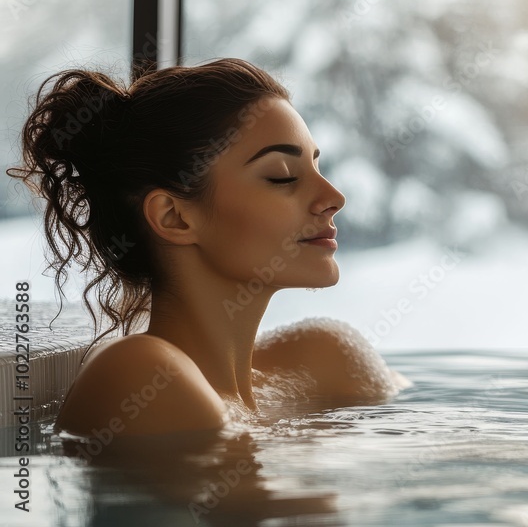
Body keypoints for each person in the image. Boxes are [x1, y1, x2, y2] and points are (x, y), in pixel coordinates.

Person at [6, 58, 411, 440]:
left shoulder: (324, 357)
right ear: (174, 217)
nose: (333, 196)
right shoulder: (140, 377)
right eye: (282, 176)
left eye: (317, 168)